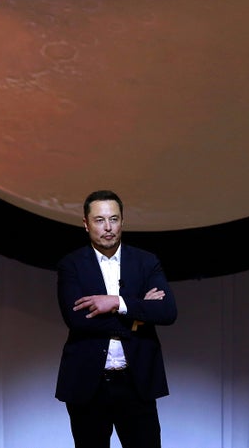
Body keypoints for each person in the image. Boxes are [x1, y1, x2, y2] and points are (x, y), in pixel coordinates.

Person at [55, 190, 177, 448]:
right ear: (86, 224)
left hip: (136, 383)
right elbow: (78, 320)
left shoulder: (146, 261)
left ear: (123, 221)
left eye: (114, 219)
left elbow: (167, 312)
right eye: (99, 220)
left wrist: (116, 302)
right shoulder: (71, 264)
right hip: (88, 385)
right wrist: (139, 312)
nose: (108, 227)